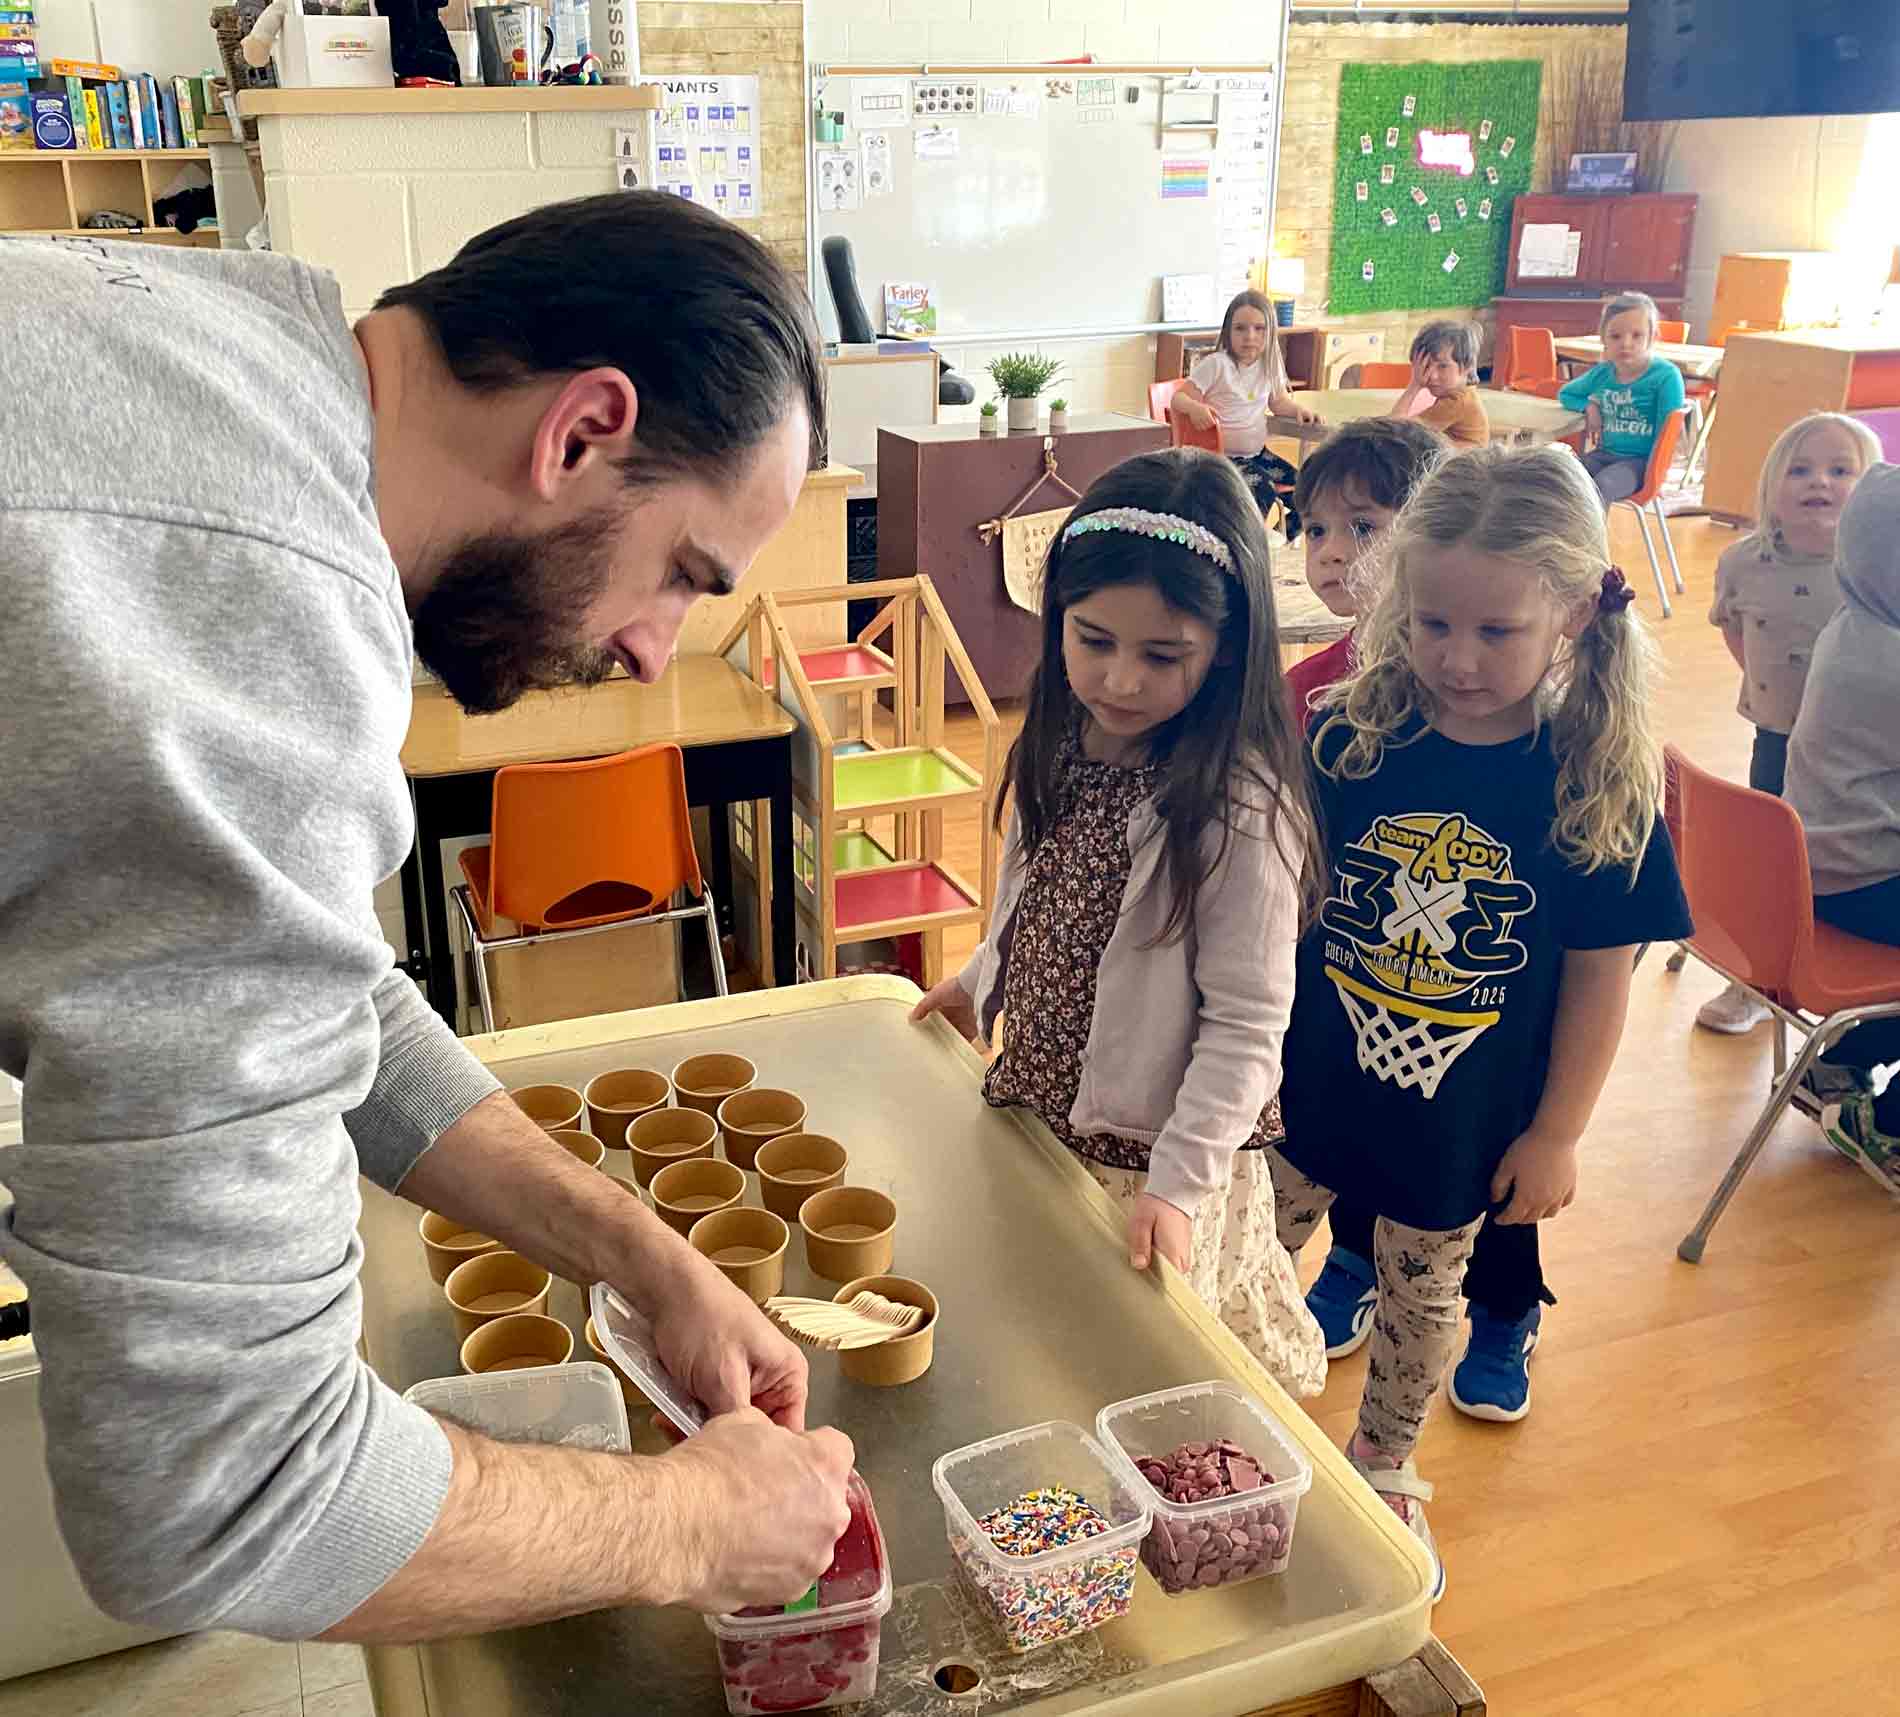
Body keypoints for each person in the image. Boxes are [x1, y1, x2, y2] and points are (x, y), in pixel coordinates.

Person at [0, 193, 859, 1644]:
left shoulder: (203, 334)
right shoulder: (256, 614)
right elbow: (225, 1497)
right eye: (682, 574)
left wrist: (638, 1250)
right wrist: (691, 1522)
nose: (653, 652)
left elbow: (302, 978)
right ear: (582, 429)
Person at [1274, 444, 1692, 1596]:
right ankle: (1238, 1419)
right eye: (1432, 623)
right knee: (1245, 1257)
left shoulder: (1593, 778)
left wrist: (1556, 1134)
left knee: (1421, 1296)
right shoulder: (1348, 734)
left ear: (1567, 612)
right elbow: (1286, 901)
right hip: (1306, 1084)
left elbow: (1603, 981)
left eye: (1494, 632)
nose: (1457, 659)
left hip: (1464, 1120)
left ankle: (1384, 1464)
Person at [909, 448, 1329, 1399]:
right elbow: (1039, 899)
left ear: (1225, 647)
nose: (1120, 679)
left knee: (1148, 1380)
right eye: (1092, 639)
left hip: (1153, 1163)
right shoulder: (1060, 737)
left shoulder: (1239, 805)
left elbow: (1248, 1026)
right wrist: (981, 981)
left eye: (1161, 655)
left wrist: (1178, 1185)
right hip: (1046, 1115)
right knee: (1051, 1343)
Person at [1696, 412, 1879, 1035]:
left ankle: (1828, 946)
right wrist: (1765, 691)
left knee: (1830, 859)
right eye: (1800, 469)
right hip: (1775, 736)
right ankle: (1755, 979)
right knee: (1769, 858)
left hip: (1855, 756)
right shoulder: (1745, 561)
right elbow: (1733, 628)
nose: (1818, 482)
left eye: (1839, 470)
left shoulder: (1872, 573)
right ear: (1773, 483)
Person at [1785, 463, 1900, 1178]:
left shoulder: (1853, 622)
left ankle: (1834, 1067)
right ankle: (1886, 1123)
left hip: (1812, 869)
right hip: (1861, 878)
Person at [1284, 416, 1446, 721]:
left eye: (1362, 527)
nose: (1329, 552)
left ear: (1430, 530)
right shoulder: (1302, 691)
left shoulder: (1462, 683)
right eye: (1316, 530)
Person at [1171, 289, 1322, 540]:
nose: (1249, 337)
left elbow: (1279, 402)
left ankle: (1274, 545)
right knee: (1260, 489)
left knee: (1308, 492)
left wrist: (1299, 411)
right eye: (1240, 328)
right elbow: (1179, 398)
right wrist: (1195, 408)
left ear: (1270, 332)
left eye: (1259, 329)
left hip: (1257, 455)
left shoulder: (1270, 365)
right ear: (1228, 332)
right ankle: (1246, 547)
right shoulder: (1217, 364)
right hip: (1222, 458)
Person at [1556, 291, 1687, 504]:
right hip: (1605, 454)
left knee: (1600, 488)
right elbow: (1566, 394)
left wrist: (1657, 476)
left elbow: (1666, 435)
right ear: (1603, 339)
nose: (1626, 344)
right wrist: (1589, 406)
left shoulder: (1666, 376)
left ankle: (1589, 538)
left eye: (1637, 335)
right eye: (1615, 336)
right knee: (1563, 478)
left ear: (1652, 337)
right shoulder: (1603, 372)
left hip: (1640, 463)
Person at [1386, 320, 1490, 449]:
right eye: (1426, 366)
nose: (1432, 375)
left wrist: (1414, 385)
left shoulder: (1456, 401)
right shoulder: (1464, 392)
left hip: (1465, 463)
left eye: (1443, 366)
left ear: (1467, 366)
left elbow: (1393, 429)